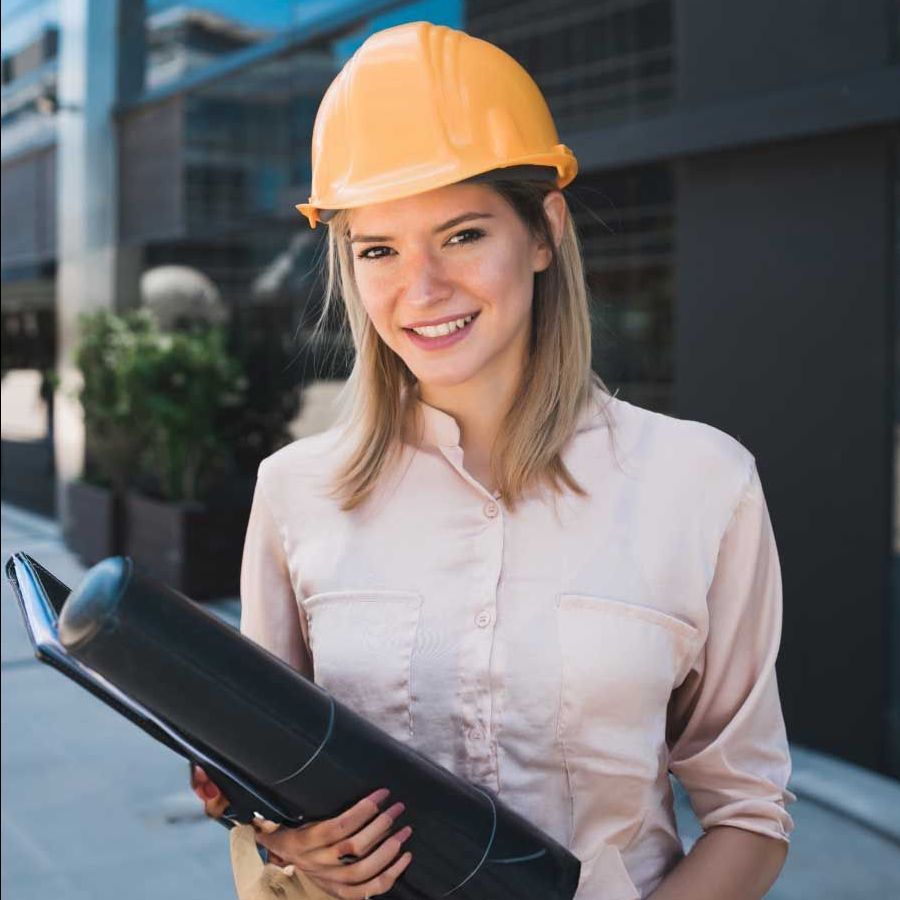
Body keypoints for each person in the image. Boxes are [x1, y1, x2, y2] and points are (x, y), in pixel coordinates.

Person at [192, 20, 796, 900]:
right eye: (379, 250)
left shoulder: (701, 484)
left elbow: (749, 813)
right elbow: (264, 776)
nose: (423, 289)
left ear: (544, 230)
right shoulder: (295, 493)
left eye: (464, 235)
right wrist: (283, 840)